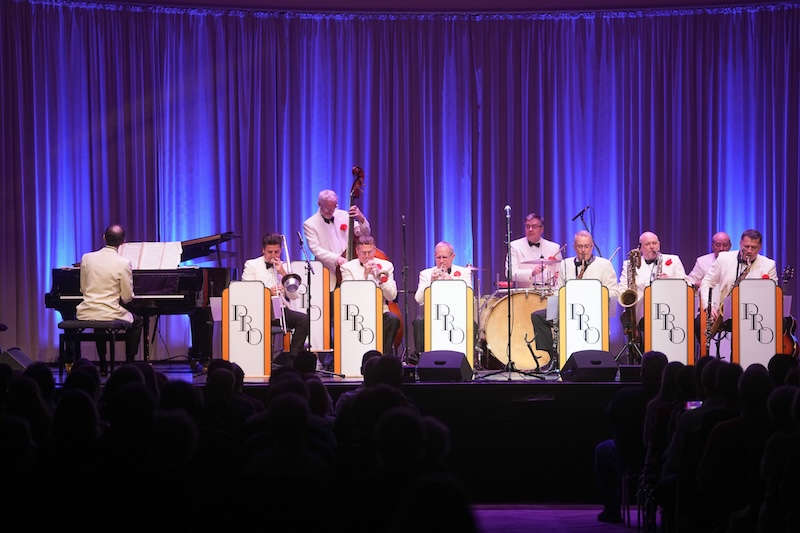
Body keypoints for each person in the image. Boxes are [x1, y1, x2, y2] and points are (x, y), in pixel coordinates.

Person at [530, 231, 619, 366]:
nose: (583, 250)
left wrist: (593, 294)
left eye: (587, 246)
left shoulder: (604, 265)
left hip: (593, 313)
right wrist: (555, 307)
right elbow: (557, 290)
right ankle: (552, 357)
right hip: (569, 311)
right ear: (574, 247)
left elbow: (614, 292)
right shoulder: (566, 264)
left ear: (592, 246)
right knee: (538, 316)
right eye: (580, 246)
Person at [76, 224, 142, 372]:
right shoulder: (123, 263)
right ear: (122, 242)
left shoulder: (86, 258)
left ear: (103, 237)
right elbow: (126, 298)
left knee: (98, 319)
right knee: (137, 322)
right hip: (109, 311)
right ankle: (129, 363)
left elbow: (83, 289)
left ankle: (103, 362)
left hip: (87, 311)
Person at [242, 233, 310, 356]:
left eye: (276, 252)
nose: (273, 256)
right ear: (263, 250)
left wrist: (283, 274)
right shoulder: (251, 265)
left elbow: (295, 296)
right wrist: (267, 292)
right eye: (270, 252)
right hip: (259, 311)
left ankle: (293, 357)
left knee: (304, 319)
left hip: (279, 310)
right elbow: (247, 290)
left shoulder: (284, 267)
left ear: (281, 251)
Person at [699, 228, 778, 327]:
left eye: (753, 247)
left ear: (760, 247)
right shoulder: (724, 258)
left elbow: (773, 294)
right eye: (746, 246)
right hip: (726, 315)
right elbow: (707, 282)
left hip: (756, 316)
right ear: (740, 243)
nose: (749, 251)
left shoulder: (769, 265)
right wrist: (708, 306)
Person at [340, 236, 401, 355]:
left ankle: (384, 357)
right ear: (357, 252)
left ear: (374, 251)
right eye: (364, 253)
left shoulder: (386, 266)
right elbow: (348, 295)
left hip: (380, 312)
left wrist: (380, 280)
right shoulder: (347, 268)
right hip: (357, 314)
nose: (367, 256)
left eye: (370, 252)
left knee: (393, 319)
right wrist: (365, 275)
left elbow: (392, 296)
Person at [302, 189, 371, 288]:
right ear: (319, 204)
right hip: (329, 274)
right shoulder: (310, 224)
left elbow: (365, 234)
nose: (331, 211)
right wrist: (337, 259)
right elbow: (316, 249)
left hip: (351, 269)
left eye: (333, 207)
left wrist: (361, 218)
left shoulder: (344, 215)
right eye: (327, 208)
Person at [412, 241, 473, 353]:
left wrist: (451, 281)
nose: (441, 261)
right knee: (419, 322)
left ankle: (467, 360)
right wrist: (431, 282)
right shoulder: (426, 274)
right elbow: (418, 299)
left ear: (452, 257)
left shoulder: (464, 272)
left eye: (444, 257)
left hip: (456, 314)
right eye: (438, 257)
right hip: (433, 314)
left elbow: (469, 297)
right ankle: (421, 359)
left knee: (473, 324)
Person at [506, 212, 562, 287]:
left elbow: (560, 272)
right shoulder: (514, 246)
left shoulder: (554, 247)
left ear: (541, 229)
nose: (530, 229)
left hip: (549, 292)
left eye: (534, 226)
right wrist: (532, 272)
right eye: (527, 226)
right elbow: (510, 273)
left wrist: (558, 275)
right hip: (525, 294)